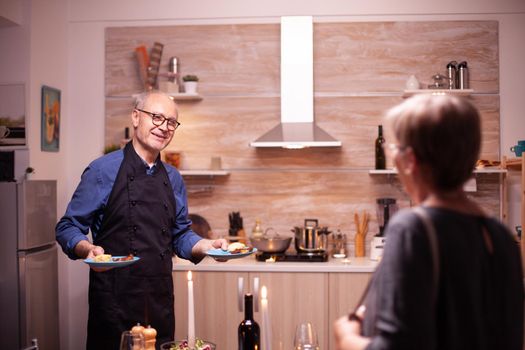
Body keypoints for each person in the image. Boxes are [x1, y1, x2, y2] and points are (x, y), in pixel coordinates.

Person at [333, 94, 523, 350]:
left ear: (410, 160)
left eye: (394, 149)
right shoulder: (501, 237)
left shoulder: (412, 229)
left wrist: (347, 337)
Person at [56, 91, 227, 349]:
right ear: (136, 117)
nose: (164, 127)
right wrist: (87, 249)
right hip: (113, 304)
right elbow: (67, 227)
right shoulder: (102, 170)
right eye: (156, 117)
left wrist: (206, 245)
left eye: (171, 122)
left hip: (159, 301)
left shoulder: (173, 178)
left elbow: (180, 236)